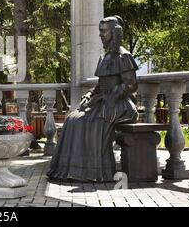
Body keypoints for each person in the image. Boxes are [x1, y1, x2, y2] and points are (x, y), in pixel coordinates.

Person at [47, 16, 138, 182]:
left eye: (104, 31)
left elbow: (131, 85)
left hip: (120, 104)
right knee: (72, 119)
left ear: (114, 32)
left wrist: (110, 96)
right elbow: (99, 85)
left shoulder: (123, 56)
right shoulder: (105, 57)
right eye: (100, 31)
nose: (101, 35)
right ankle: (71, 170)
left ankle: (96, 171)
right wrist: (89, 95)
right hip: (103, 101)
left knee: (88, 122)